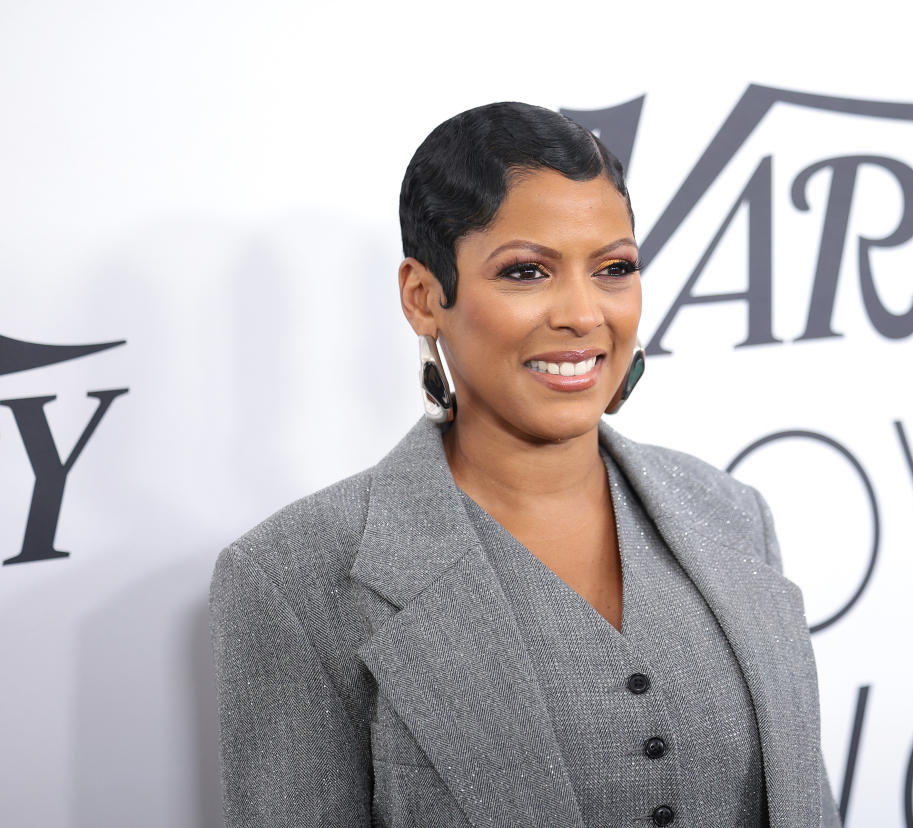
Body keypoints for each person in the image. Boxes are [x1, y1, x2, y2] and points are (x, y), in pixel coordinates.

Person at [210, 101, 842, 828]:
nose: (582, 313)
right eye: (526, 272)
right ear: (423, 297)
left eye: (613, 268)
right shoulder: (292, 580)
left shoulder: (731, 515)